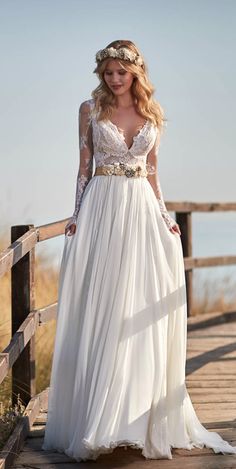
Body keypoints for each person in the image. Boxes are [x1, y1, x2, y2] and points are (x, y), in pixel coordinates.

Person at [42, 40, 236, 461]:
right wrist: (76, 213)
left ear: (136, 75)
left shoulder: (152, 114)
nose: (114, 79)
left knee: (137, 306)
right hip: (102, 207)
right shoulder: (89, 110)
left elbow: (152, 175)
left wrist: (167, 219)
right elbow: (84, 166)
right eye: (108, 72)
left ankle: (135, 415)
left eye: (121, 73)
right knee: (106, 306)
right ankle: (99, 417)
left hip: (142, 213)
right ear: (102, 74)